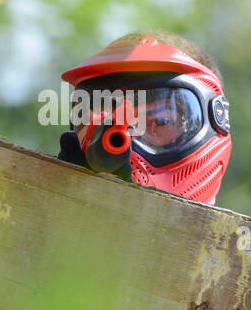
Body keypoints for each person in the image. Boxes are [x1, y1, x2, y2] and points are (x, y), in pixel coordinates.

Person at [57, 31, 232, 205]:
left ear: (216, 122)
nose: (118, 141)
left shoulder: (241, 233)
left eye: (159, 121)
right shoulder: (48, 215)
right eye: (99, 123)